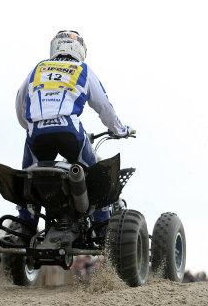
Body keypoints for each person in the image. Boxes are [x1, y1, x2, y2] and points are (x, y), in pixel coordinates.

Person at [15, 30, 135, 230]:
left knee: (27, 181)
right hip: (70, 132)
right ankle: (102, 229)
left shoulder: (37, 69)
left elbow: (20, 104)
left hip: (36, 134)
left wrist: (31, 125)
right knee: (98, 178)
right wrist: (120, 130)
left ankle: (24, 229)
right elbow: (104, 107)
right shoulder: (82, 69)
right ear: (80, 49)